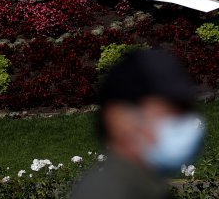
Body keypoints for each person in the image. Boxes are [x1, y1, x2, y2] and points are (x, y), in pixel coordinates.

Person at [69, 48, 207, 199]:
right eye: (169, 110)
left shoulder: (142, 187)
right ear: (119, 118)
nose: (182, 122)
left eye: (184, 111)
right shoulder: (110, 192)